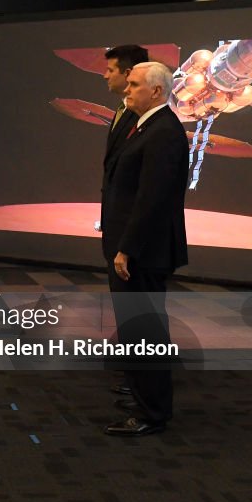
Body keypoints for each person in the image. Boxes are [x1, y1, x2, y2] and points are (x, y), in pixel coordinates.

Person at [101, 61, 188, 437]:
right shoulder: (148, 126)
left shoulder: (164, 132)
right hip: (134, 250)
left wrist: (127, 249)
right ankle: (144, 399)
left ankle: (152, 413)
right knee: (137, 329)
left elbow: (153, 201)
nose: (125, 89)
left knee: (145, 331)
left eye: (133, 85)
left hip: (141, 253)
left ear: (156, 91)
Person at [101, 45, 148, 398]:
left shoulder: (149, 123)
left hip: (133, 236)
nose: (107, 75)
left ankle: (143, 383)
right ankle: (134, 376)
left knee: (140, 308)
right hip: (119, 226)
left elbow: (151, 193)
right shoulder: (124, 112)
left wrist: (127, 243)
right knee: (127, 305)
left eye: (114, 71)